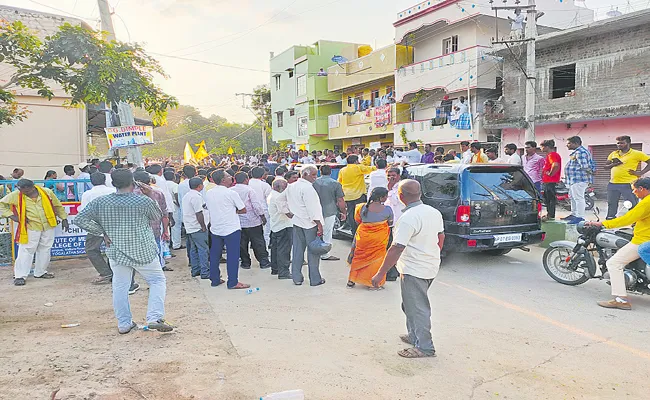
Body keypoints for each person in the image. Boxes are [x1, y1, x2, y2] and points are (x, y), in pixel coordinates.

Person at [73, 169, 172, 334]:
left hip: (116, 250)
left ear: (112, 183)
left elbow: (79, 219)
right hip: (143, 249)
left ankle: (124, 324)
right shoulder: (143, 201)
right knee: (157, 281)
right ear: (133, 183)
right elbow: (157, 216)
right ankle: (154, 317)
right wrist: (151, 195)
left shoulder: (101, 202)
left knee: (120, 286)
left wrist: (101, 232)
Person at [372, 180, 445, 358]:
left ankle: (425, 347)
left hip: (415, 269)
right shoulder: (433, 212)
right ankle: (414, 335)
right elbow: (440, 236)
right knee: (409, 305)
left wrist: (380, 273)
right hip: (429, 265)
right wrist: (432, 255)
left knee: (417, 308)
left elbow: (397, 247)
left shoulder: (408, 218)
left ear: (401, 196)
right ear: (420, 193)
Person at [586, 178, 650, 310]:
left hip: (643, 240)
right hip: (642, 236)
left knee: (614, 263)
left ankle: (621, 300)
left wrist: (603, 223)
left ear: (642, 189)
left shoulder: (646, 202)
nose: (633, 192)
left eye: (635, 189)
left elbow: (628, 218)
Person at [1, 179, 69, 286]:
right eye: (20, 190)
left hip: (48, 224)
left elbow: (57, 205)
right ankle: (20, 276)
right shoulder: (16, 195)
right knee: (26, 250)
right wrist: (12, 216)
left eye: (25, 191)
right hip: (30, 226)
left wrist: (64, 219)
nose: (23, 192)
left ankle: (40, 272)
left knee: (45, 249)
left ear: (32, 187)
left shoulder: (46, 192)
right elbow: (2, 205)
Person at [205, 170, 250, 289]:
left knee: (215, 255)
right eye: (229, 176)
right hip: (231, 228)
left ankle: (214, 279)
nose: (232, 178)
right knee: (233, 256)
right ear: (223, 180)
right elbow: (243, 209)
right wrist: (233, 211)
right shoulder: (231, 193)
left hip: (216, 227)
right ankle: (233, 282)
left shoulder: (209, 193)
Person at [285, 165, 326, 286]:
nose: (315, 177)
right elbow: (313, 209)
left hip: (297, 222)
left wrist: (288, 213)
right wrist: (319, 224)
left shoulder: (291, 187)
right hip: (310, 224)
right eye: (313, 175)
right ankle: (315, 279)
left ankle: (296, 278)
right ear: (304, 175)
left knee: (297, 250)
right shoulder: (308, 188)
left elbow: (279, 200)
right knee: (313, 251)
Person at [347, 187, 393, 290]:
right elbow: (390, 223)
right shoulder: (387, 209)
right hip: (379, 238)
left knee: (358, 257)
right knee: (376, 260)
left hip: (363, 236)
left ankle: (351, 280)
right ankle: (373, 283)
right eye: (385, 196)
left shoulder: (361, 207)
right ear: (382, 197)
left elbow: (358, 220)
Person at [79, 172, 116, 285]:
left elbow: (83, 211)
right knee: (112, 249)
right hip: (113, 224)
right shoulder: (113, 191)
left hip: (95, 225)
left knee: (91, 249)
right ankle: (113, 272)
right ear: (105, 180)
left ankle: (105, 272)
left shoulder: (88, 194)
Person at [230, 172, 270, 270]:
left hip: (238, 221)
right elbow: (256, 205)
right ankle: (263, 262)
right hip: (253, 221)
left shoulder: (231, 191)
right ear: (246, 179)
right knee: (258, 242)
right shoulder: (249, 190)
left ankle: (245, 263)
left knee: (242, 244)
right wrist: (262, 217)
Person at [604, 136, 650, 220]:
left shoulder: (636, 153)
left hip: (629, 184)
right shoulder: (613, 153)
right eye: (618, 143)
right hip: (613, 183)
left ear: (628, 143)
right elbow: (606, 166)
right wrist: (614, 164)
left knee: (632, 204)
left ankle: (634, 222)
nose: (619, 145)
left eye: (622, 143)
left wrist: (640, 173)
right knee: (611, 203)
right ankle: (610, 220)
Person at [313, 165, 346, 261]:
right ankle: (325, 254)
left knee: (314, 232)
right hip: (329, 211)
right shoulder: (335, 183)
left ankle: (314, 252)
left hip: (315, 211)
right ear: (330, 172)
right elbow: (340, 200)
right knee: (327, 233)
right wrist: (343, 212)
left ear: (320, 171)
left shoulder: (314, 183)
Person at [338, 154, 376, 236]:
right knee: (360, 214)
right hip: (358, 195)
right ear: (355, 161)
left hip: (347, 195)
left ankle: (354, 231)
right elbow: (372, 169)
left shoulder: (342, 170)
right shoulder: (358, 167)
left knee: (350, 214)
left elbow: (339, 182)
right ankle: (360, 232)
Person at [183, 177, 210, 279]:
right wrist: (203, 226)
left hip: (190, 226)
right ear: (200, 186)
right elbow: (199, 212)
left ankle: (196, 270)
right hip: (197, 226)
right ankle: (205, 272)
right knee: (203, 249)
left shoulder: (187, 195)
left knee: (194, 249)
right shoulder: (196, 197)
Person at [564, 136, 595, 224]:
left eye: (569, 143)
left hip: (579, 179)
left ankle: (580, 217)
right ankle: (574, 214)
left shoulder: (580, 152)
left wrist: (591, 173)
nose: (567, 145)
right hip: (573, 179)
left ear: (576, 143)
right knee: (573, 197)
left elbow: (585, 166)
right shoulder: (577, 152)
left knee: (578, 198)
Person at [268, 178, 293, 279]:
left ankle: (275, 268)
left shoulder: (272, 195)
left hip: (276, 224)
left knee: (275, 248)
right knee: (284, 250)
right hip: (284, 225)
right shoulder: (278, 197)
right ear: (279, 187)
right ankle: (283, 272)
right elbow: (287, 213)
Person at [249, 166, 272, 247]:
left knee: (249, 235)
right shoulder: (265, 185)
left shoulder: (247, 183)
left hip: (248, 212)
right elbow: (269, 200)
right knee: (265, 233)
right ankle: (265, 252)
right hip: (263, 210)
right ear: (263, 175)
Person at [541, 139, 562, 221]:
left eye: (542, 147)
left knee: (550, 199)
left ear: (547, 147)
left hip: (550, 181)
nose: (541, 149)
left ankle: (550, 215)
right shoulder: (551, 155)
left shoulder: (552, 155)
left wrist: (550, 174)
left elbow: (555, 165)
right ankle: (549, 214)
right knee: (547, 198)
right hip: (548, 181)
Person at [164, 170, 183, 250]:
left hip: (165, 206)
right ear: (173, 177)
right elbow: (176, 194)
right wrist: (179, 204)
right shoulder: (174, 185)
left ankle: (168, 244)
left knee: (167, 226)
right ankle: (176, 244)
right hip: (174, 206)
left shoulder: (163, 184)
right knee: (176, 226)